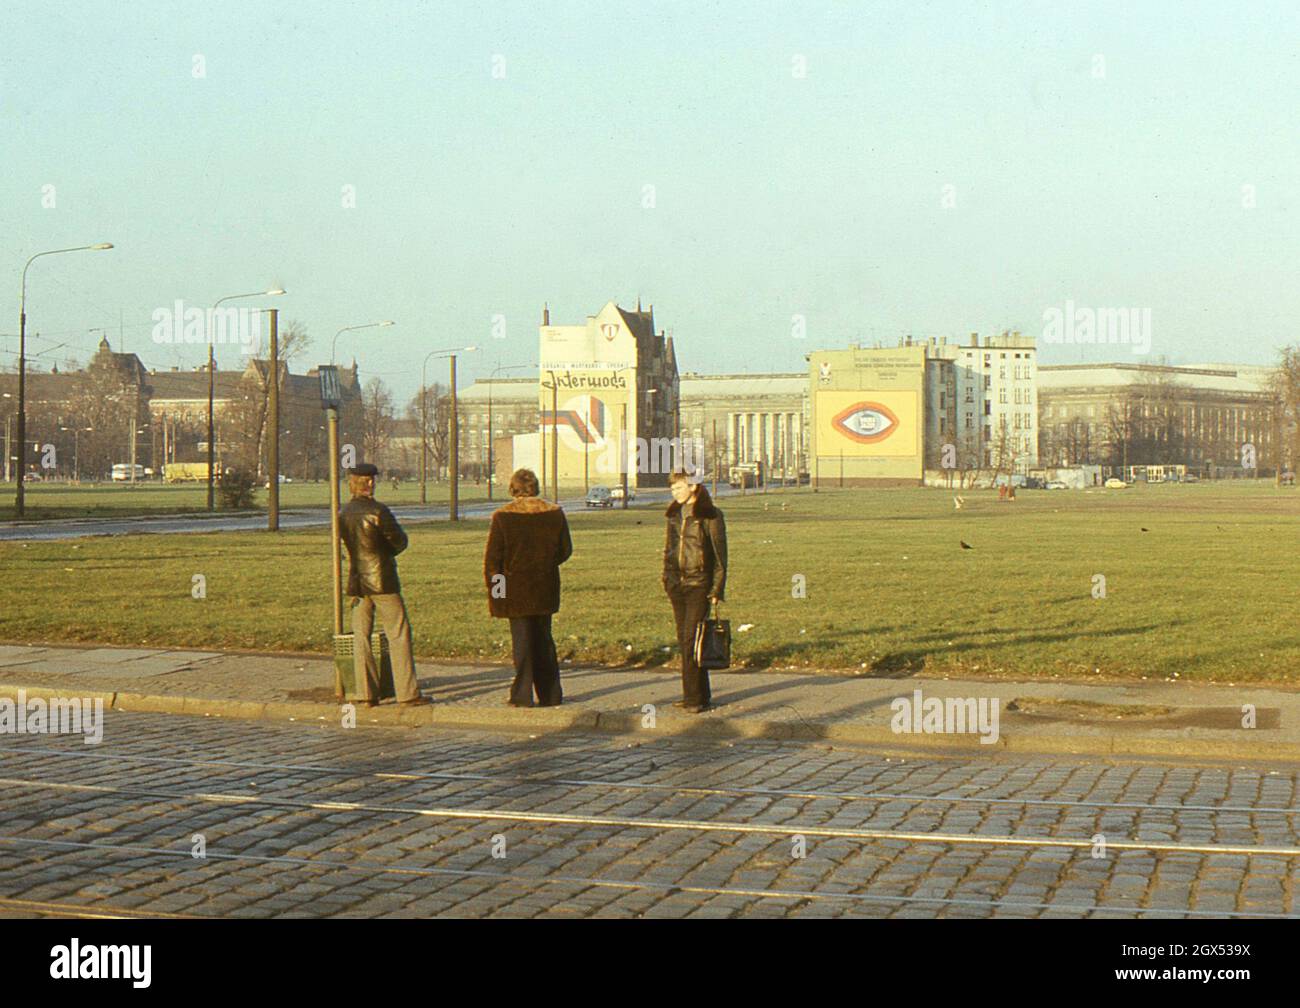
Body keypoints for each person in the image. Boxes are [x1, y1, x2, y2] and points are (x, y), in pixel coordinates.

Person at [339, 463, 429, 707]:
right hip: (382, 580)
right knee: (398, 633)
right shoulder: (379, 512)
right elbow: (399, 541)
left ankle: (365, 693)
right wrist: (384, 553)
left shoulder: (344, 512)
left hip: (357, 581)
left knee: (361, 636)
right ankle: (407, 692)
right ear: (369, 483)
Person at [484, 468, 573, 707]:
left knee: (522, 643)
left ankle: (522, 695)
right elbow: (565, 550)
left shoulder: (503, 517)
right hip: (545, 587)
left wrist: (497, 595)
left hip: (515, 591)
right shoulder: (555, 514)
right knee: (544, 640)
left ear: (513, 489)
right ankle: (551, 694)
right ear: (536, 487)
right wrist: (545, 564)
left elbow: (494, 562)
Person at [662, 470, 727, 713]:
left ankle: (694, 699)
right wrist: (666, 577)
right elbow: (669, 549)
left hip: (699, 584)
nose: (674, 492)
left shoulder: (710, 515)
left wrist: (717, 588)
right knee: (686, 640)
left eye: (678, 487)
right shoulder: (674, 514)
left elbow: (720, 555)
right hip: (677, 585)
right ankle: (697, 694)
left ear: (693, 488)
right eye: (672, 489)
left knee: (691, 639)